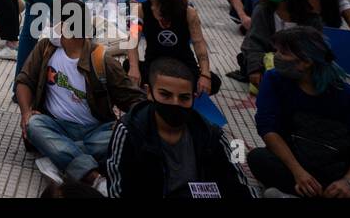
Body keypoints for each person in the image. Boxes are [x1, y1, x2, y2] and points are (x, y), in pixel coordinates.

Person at [247, 26, 350, 199]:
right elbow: (268, 127)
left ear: (306, 62)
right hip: (296, 161)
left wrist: (349, 182)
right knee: (258, 158)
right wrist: (298, 172)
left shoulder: (346, 96)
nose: (276, 56)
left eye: (283, 52)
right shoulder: (274, 80)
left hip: (337, 168)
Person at [15, 0, 145, 194]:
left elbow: (134, 101)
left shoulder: (102, 60)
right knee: (34, 124)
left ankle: (59, 160)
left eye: (55, 21)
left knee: (122, 136)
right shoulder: (45, 48)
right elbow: (24, 81)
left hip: (95, 130)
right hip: (55, 125)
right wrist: (25, 112)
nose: (50, 26)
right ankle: (94, 178)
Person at [108, 57, 254, 199]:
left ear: (194, 97)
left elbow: (239, 185)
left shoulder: (211, 134)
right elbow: (118, 191)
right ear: (149, 93)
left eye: (184, 98)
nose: (175, 103)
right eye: (165, 95)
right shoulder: (129, 131)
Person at [129, 0, 219, 96]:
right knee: (127, 68)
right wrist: (134, 68)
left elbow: (199, 43)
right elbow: (132, 42)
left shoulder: (189, 12)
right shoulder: (140, 10)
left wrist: (205, 75)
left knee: (214, 82)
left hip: (183, 65)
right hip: (154, 65)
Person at [240, 0, 322, 89]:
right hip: (267, 63)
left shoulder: (310, 18)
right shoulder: (263, 10)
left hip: (299, 64)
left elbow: (314, 48)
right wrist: (255, 69)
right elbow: (253, 42)